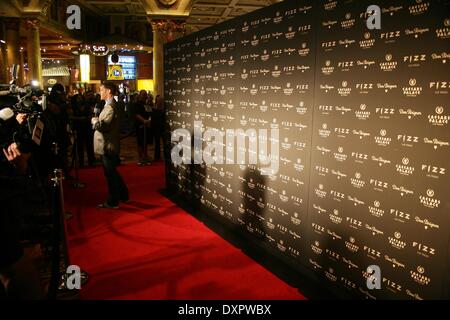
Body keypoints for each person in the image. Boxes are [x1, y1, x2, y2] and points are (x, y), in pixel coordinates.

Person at [91, 82, 129, 209]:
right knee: (112, 171)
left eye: (101, 90)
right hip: (108, 143)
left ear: (109, 91)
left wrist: (95, 121)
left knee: (110, 174)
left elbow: (104, 126)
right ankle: (123, 195)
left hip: (107, 145)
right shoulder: (110, 105)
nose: (99, 92)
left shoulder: (111, 107)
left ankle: (113, 201)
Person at [151, 95, 164, 161]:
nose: (159, 102)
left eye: (160, 100)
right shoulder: (154, 108)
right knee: (157, 143)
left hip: (163, 127)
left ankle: (166, 156)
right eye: (158, 100)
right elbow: (153, 119)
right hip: (156, 128)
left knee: (165, 143)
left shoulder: (164, 109)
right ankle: (157, 157)